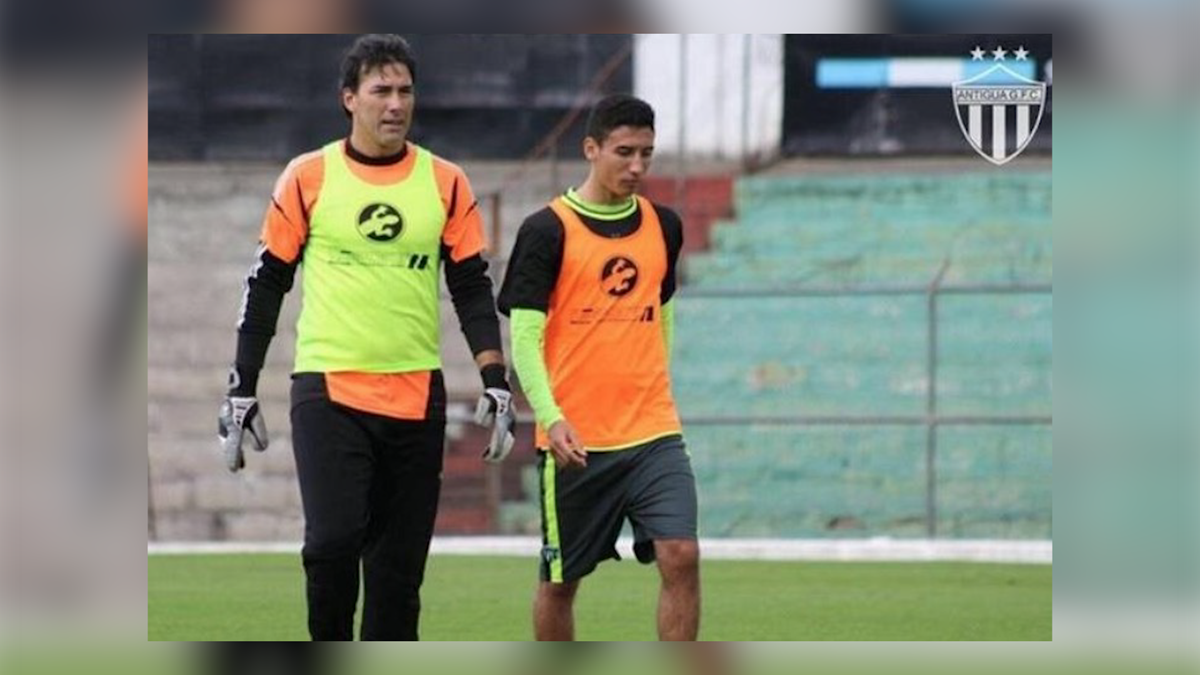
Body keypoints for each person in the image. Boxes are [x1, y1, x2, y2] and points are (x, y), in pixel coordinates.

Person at [217, 34, 517, 641]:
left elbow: (472, 287)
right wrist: (241, 386)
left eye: (405, 91)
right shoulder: (308, 176)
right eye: (381, 90)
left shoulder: (446, 182)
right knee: (331, 543)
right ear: (348, 98)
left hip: (416, 397)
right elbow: (266, 283)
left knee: (397, 578)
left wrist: (495, 376)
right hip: (329, 390)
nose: (395, 104)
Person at [498, 94, 699, 641]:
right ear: (591, 149)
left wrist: (655, 386)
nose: (637, 167)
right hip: (576, 442)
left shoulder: (665, 225)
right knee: (561, 584)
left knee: (680, 554)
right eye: (624, 152)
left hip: (653, 431)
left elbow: (663, 315)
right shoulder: (546, 230)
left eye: (648, 154)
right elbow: (524, 336)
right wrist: (550, 416)